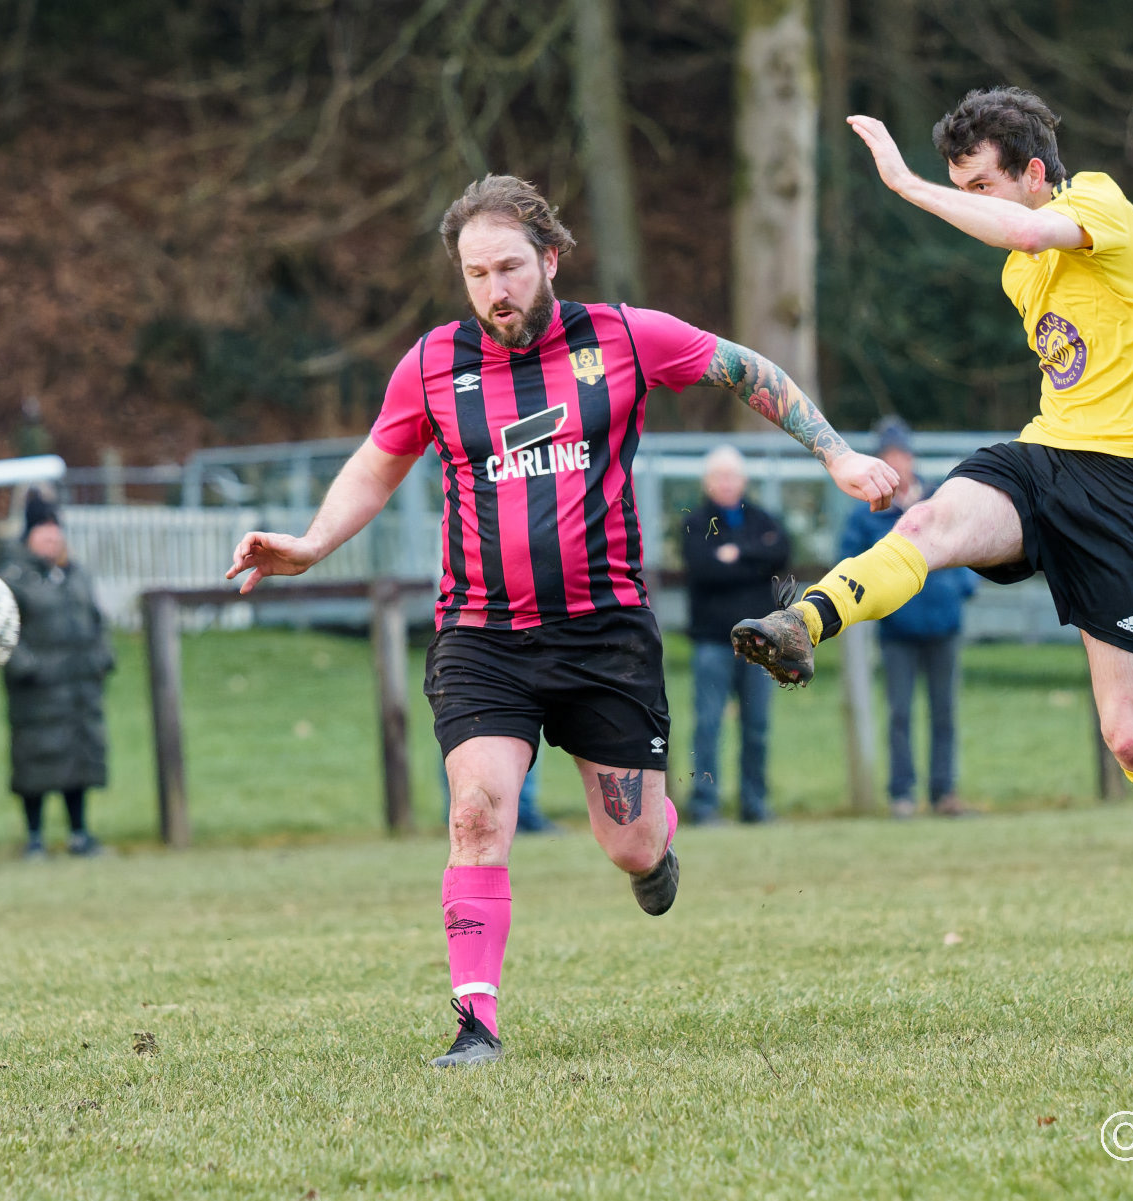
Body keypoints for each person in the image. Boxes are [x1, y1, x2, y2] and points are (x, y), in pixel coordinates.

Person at [226, 175, 899, 1067]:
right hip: (482, 636)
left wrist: (838, 455)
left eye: (509, 267)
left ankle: (654, 847)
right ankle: (476, 1022)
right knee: (477, 809)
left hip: (604, 635)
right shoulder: (432, 364)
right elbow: (377, 461)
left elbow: (746, 369)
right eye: (476, 274)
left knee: (629, 843)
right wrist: (312, 543)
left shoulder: (623, 337)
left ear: (549, 259)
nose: (495, 290)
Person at [733, 88, 1133, 1006]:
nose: (971, 203)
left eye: (981, 185)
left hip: (1131, 498)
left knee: (1132, 739)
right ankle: (803, 622)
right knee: (926, 524)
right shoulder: (1025, 274)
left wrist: (906, 184)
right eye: (958, 187)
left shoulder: (1096, 203)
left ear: (1033, 173)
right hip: (1045, 459)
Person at [841, 417, 977, 819]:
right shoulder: (866, 516)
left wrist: (961, 587)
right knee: (899, 713)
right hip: (897, 629)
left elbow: (966, 544)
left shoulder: (937, 502)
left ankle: (944, 792)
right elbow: (850, 562)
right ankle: (902, 794)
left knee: (944, 713)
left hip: (944, 625)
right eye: (888, 456)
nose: (896, 463)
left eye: (900, 455)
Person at [0, 488, 114, 858]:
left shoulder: (76, 575)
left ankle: (80, 834)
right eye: (42, 529)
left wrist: (102, 659)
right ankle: (34, 838)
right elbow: (2, 631)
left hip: (79, 689)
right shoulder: (14, 579)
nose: (51, 537)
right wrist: (29, 668)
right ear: (28, 535)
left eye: (55, 529)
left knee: (79, 758)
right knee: (36, 762)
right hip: (37, 693)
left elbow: (97, 621)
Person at [681, 445, 789, 825]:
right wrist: (752, 560)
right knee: (708, 724)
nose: (726, 483)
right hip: (713, 642)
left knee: (757, 725)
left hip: (759, 643)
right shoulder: (696, 523)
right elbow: (704, 569)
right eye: (719, 476)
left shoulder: (762, 519)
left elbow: (781, 553)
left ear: (743, 480)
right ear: (707, 482)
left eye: (732, 476)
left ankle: (754, 804)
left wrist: (735, 554)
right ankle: (704, 804)